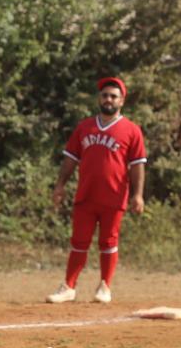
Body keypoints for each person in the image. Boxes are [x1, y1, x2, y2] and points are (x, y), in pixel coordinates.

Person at [46, 76, 147, 305]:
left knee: (108, 242)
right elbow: (70, 159)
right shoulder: (85, 127)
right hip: (86, 195)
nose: (108, 99)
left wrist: (138, 195)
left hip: (113, 196)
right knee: (78, 241)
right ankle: (69, 287)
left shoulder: (131, 130)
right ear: (98, 99)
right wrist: (60, 185)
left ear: (121, 101)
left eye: (113, 96)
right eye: (104, 95)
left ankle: (104, 286)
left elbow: (138, 164)